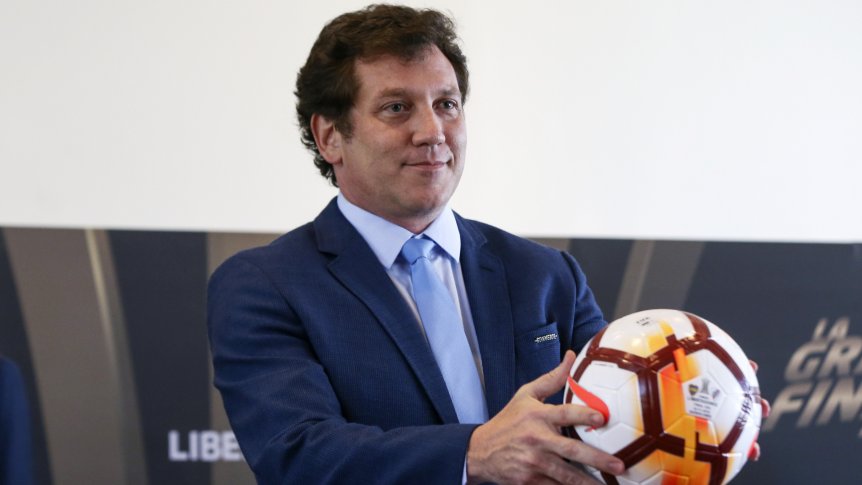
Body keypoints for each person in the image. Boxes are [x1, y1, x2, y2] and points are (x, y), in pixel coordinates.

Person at [209, 4, 766, 484]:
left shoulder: (547, 275)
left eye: (447, 104)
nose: (432, 132)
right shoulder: (265, 285)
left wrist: (697, 418)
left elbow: (609, 427)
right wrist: (473, 453)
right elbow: (298, 455)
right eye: (396, 107)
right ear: (330, 135)